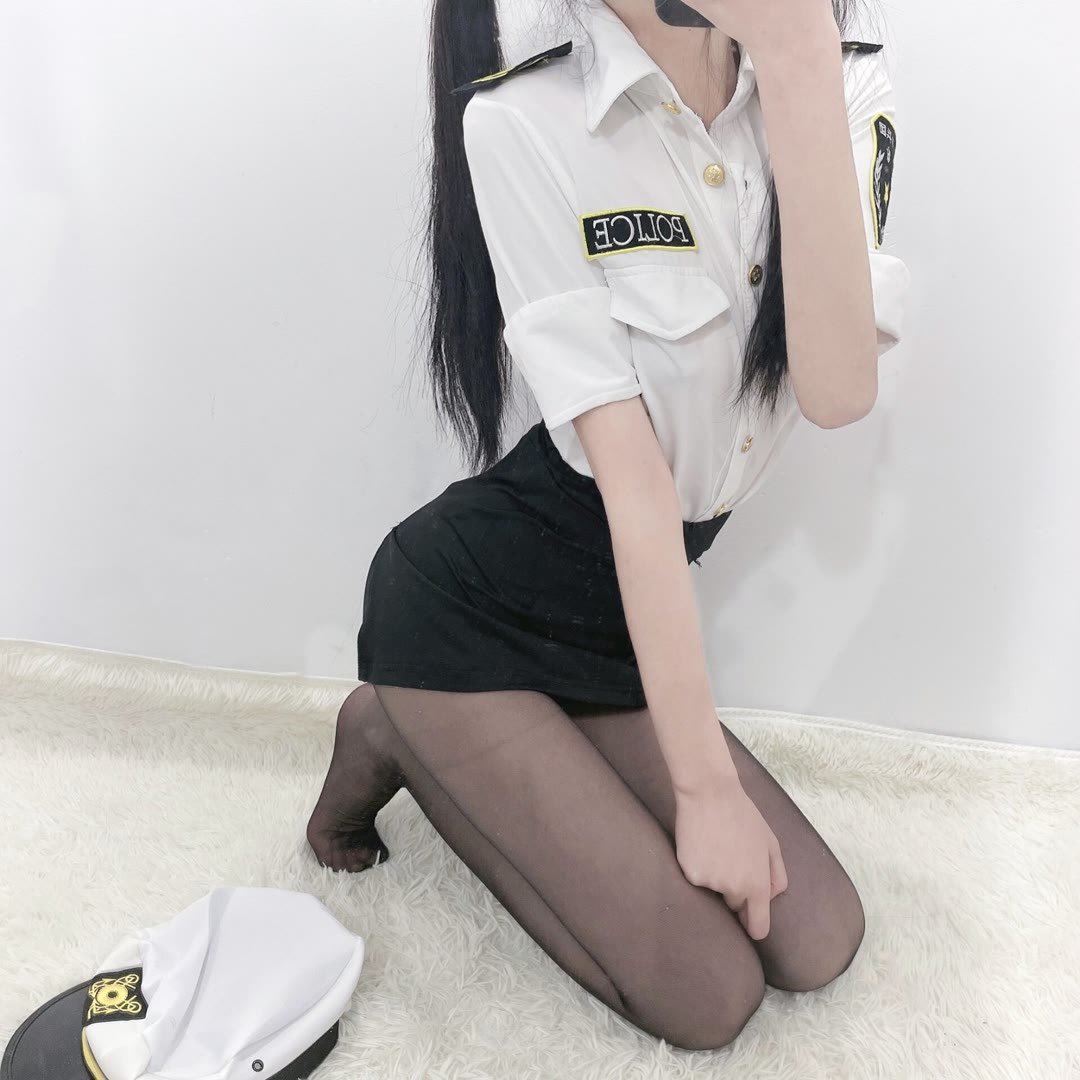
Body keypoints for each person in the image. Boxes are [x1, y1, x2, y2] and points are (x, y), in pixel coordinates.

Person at [307, 0, 910, 1051]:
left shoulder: (837, 75)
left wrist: (799, 58)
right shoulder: (527, 120)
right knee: (707, 997)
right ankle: (396, 719)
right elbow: (634, 488)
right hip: (467, 608)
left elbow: (837, 391)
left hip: (619, 619)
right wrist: (703, 792)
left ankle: (461, 731)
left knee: (820, 940)